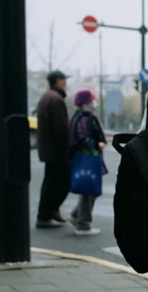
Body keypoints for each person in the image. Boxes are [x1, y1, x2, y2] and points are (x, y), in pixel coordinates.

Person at [67, 89, 107, 235]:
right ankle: (83, 224)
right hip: (88, 157)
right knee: (89, 189)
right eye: (91, 100)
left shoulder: (83, 116)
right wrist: (98, 144)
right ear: (85, 102)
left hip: (86, 157)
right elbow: (83, 137)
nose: (93, 103)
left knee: (90, 189)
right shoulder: (85, 118)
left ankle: (76, 215)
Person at [35, 70, 71, 228]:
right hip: (57, 150)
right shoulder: (56, 100)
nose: (66, 82)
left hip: (48, 149)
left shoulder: (46, 97)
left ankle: (50, 212)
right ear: (57, 81)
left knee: (51, 181)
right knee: (62, 181)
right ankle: (46, 214)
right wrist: (68, 148)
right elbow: (61, 128)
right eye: (64, 79)